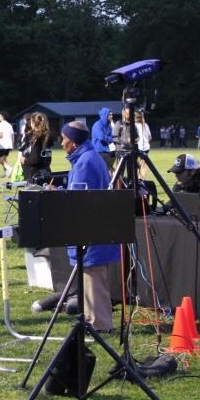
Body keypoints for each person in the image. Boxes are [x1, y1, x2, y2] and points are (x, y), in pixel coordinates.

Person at [60, 121, 120, 333]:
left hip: (91, 233)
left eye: (64, 139)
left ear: (74, 142)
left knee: (94, 279)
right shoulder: (89, 157)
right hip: (95, 231)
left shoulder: (85, 162)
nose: (62, 143)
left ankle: (100, 325)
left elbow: (79, 199)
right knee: (91, 278)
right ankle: (93, 320)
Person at [20, 111, 52, 184]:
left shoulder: (37, 139)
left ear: (34, 123)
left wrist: (25, 160)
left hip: (34, 176)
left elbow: (35, 159)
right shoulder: (46, 137)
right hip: (45, 173)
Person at [0, 111, 14, 178]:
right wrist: (12, 145)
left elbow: (0, 135)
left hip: (3, 145)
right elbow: (12, 136)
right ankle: (5, 173)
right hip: (9, 144)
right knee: (4, 159)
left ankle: (9, 168)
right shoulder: (9, 125)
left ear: (2, 117)